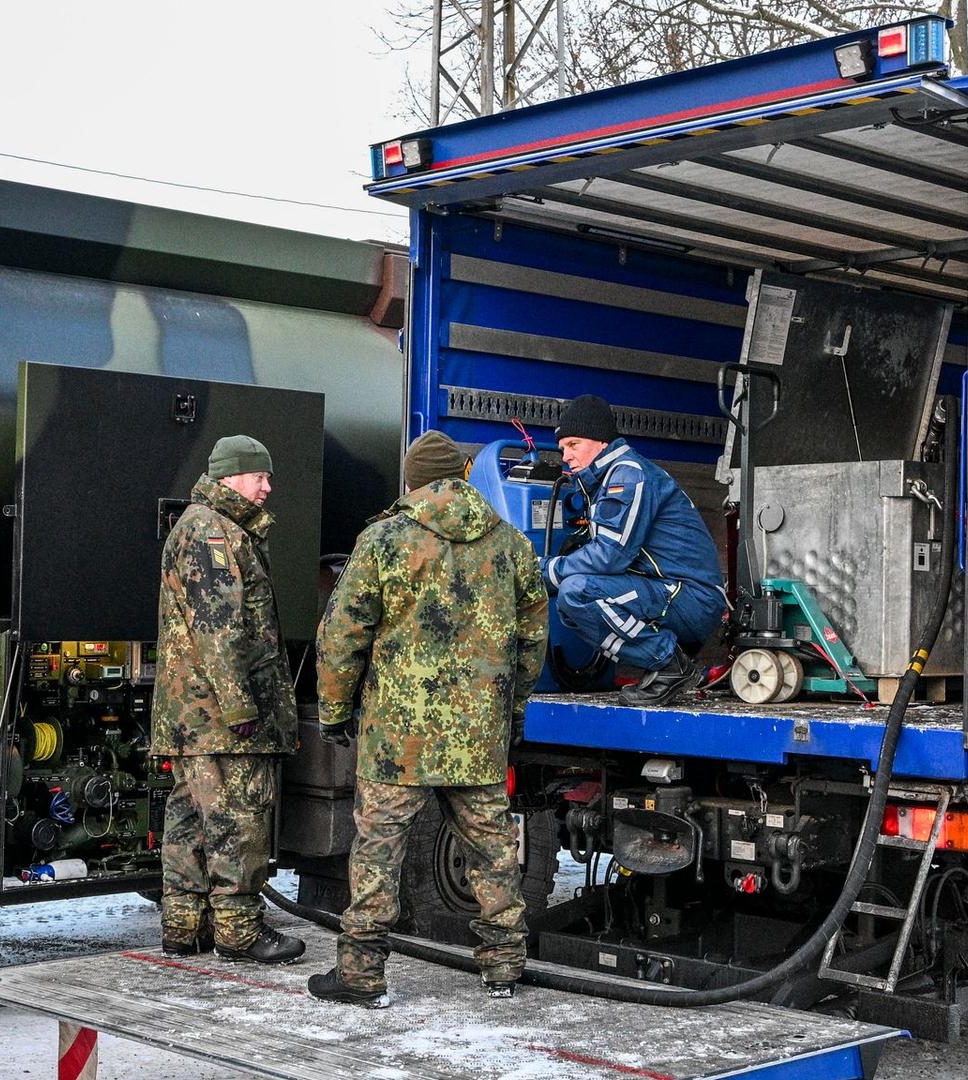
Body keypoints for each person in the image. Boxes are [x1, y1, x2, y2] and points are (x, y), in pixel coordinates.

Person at [307, 430, 549, 1008]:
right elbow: (532, 637)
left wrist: (336, 710)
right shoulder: (510, 544)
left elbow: (342, 635)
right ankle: (504, 970)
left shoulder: (383, 540)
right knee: (492, 849)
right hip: (478, 735)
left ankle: (362, 976)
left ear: (411, 481)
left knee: (376, 854)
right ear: (463, 478)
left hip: (399, 739)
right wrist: (511, 712)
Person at [149, 434, 306, 965]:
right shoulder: (213, 533)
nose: (267, 488)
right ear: (229, 478)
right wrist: (241, 709)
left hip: (198, 717)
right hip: (220, 719)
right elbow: (219, 632)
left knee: (192, 818)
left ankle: (183, 927)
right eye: (259, 476)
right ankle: (238, 932)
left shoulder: (206, 527)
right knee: (238, 819)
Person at [546, 394, 725, 706]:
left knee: (577, 592)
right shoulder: (608, 477)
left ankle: (669, 663)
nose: (566, 456)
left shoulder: (627, 474)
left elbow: (609, 556)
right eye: (563, 448)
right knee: (570, 598)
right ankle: (666, 663)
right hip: (673, 592)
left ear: (601, 441)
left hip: (690, 597)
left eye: (573, 444)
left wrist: (545, 570)